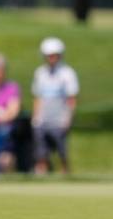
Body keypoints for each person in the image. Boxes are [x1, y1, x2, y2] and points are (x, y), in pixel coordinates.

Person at [31, 37, 79, 175]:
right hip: (42, 120)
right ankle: (42, 175)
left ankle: (66, 173)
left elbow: (71, 98)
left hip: (60, 120)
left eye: (54, 55)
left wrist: (68, 118)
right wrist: (36, 118)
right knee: (41, 152)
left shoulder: (67, 73)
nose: (52, 58)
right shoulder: (40, 73)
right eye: (49, 55)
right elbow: (37, 97)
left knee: (62, 152)